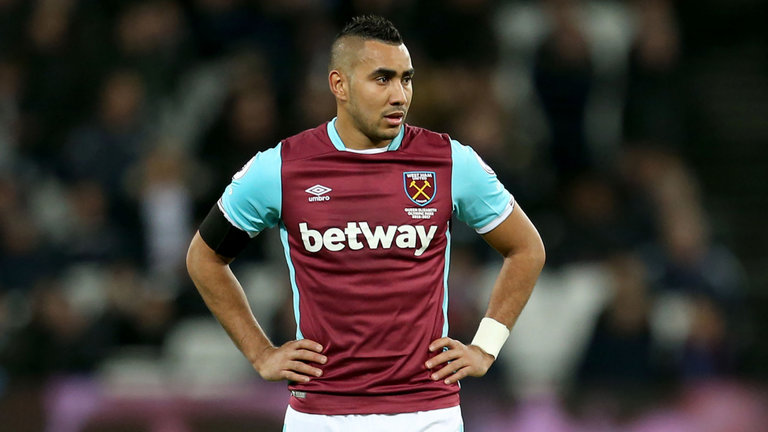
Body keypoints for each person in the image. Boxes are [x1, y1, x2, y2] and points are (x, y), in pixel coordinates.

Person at [186, 15, 545, 431]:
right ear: (339, 85)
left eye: (406, 79)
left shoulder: (449, 162)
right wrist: (260, 353)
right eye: (382, 79)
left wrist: (485, 347)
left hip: (428, 414)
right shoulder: (283, 168)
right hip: (320, 416)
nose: (399, 95)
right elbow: (204, 258)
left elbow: (526, 248)